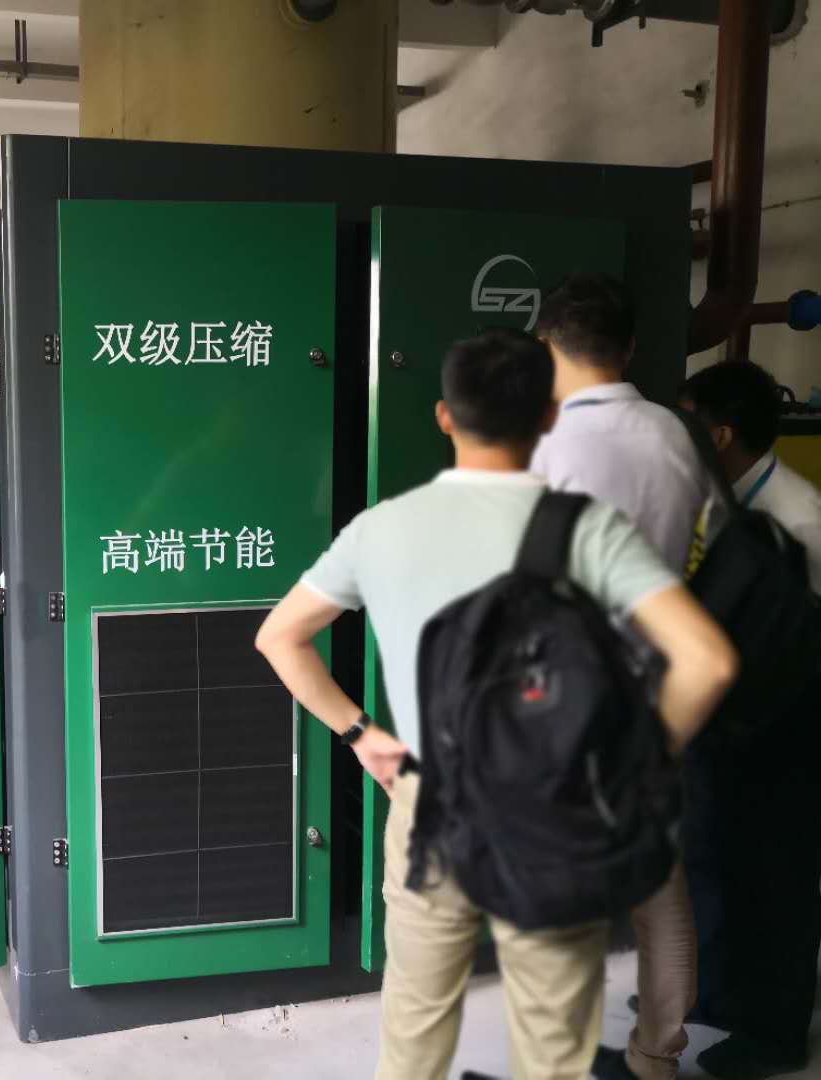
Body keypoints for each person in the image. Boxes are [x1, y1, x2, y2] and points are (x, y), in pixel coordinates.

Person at [255, 328, 737, 1080]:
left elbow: (280, 638)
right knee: (552, 1043)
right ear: (548, 415)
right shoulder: (585, 528)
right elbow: (707, 661)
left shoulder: (382, 528)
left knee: (413, 1035)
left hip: (431, 803)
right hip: (558, 809)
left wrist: (361, 734)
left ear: (445, 416)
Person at [527, 273, 713, 1080]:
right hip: (661, 694)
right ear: (629, 349)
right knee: (659, 888)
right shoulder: (676, 435)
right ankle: (655, 1056)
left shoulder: (543, 445)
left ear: (546, 346)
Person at [678, 359, 821, 1080]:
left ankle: (777, 1030)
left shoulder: (801, 517)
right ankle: (719, 993)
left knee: (779, 878)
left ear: (721, 433)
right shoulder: (724, 504)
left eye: (689, 421)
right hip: (734, 724)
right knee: (718, 860)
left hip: (787, 732)